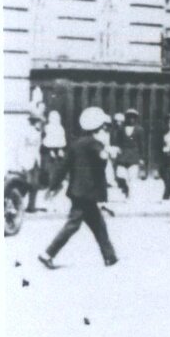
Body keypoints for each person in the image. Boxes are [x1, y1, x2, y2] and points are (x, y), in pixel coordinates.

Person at [39, 106, 119, 269]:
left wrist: (52, 187)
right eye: (104, 126)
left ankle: (110, 256)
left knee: (98, 225)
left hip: (78, 192)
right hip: (87, 194)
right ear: (98, 127)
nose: (105, 129)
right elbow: (101, 155)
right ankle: (47, 253)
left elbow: (63, 167)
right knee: (73, 225)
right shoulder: (94, 143)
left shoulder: (76, 144)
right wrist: (111, 151)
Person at [41, 108, 68, 199]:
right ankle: (51, 186)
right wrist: (50, 150)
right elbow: (46, 140)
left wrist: (61, 149)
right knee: (51, 170)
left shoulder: (60, 128)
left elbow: (62, 139)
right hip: (50, 151)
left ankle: (57, 185)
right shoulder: (47, 127)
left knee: (58, 169)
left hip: (58, 151)